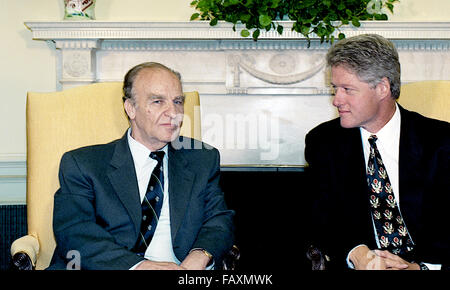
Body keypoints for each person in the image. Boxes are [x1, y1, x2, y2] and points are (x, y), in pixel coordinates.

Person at [47, 62, 235, 270]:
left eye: (178, 101)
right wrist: (138, 266)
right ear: (131, 109)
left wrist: (199, 256)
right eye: (157, 101)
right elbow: (75, 231)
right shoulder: (84, 164)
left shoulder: (203, 159)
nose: (174, 112)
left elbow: (219, 220)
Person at [304, 34, 450, 270]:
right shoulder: (324, 143)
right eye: (335, 88)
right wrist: (357, 252)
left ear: (382, 88)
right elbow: (321, 215)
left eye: (347, 89)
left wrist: (420, 268)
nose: (336, 100)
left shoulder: (441, 142)